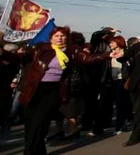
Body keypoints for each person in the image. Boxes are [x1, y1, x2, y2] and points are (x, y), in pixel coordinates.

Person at [0, 25, 110, 155]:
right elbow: (21, 58)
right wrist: (3, 53)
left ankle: (29, 152)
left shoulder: (72, 50)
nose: (59, 38)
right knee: (30, 123)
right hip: (33, 89)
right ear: (51, 38)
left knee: (40, 122)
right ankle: (38, 150)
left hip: (53, 90)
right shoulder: (41, 49)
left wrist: (107, 55)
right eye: (56, 36)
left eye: (62, 36)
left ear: (67, 38)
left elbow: (88, 58)